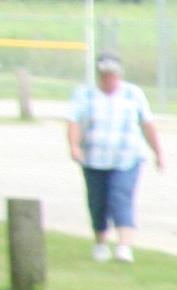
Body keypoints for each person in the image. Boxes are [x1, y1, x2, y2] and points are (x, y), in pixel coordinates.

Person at [62, 51, 161, 261]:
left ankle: (124, 246)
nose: (109, 78)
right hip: (93, 158)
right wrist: (74, 146)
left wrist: (158, 152)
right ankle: (100, 244)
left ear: (119, 74)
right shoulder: (84, 94)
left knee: (120, 197)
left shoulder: (133, 94)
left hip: (127, 157)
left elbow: (147, 123)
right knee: (97, 202)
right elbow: (73, 121)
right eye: (104, 74)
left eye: (112, 74)